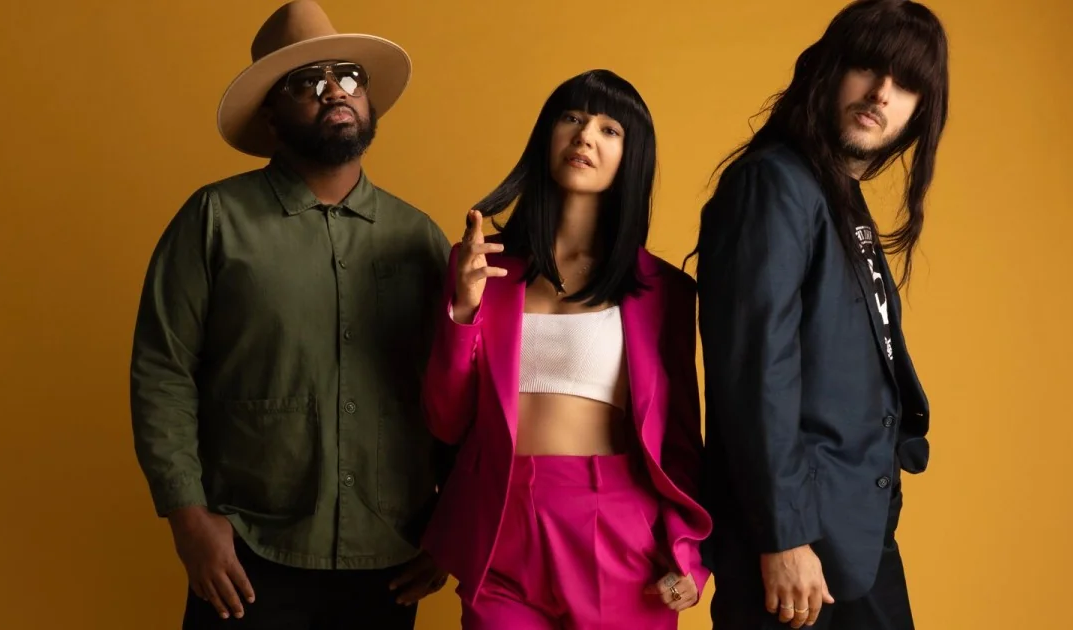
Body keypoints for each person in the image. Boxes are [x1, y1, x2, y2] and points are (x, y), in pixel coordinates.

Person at [128, 1, 453, 628]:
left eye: (348, 76)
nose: (334, 91)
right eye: (307, 82)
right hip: (246, 554)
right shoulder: (215, 220)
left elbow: (451, 388)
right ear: (271, 115)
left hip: (388, 556)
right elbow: (162, 371)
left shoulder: (419, 237)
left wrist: (452, 527)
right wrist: (187, 518)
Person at [418, 69, 713, 629]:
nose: (585, 136)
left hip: (616, 530)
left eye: (609, 129)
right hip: (499, 526)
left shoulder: (663, 290)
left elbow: (677, 439)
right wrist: (464, 309)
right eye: (572, 118)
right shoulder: (478, 264)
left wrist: (689, 554)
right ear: (546, 135)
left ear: (632, 157)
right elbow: (446, 420)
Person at [691, 0, 950, 628]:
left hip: (853, 532)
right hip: (793, 544)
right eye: (868, 67)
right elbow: (757, 369)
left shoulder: (837, 196)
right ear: (830, 69)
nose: (882, 93)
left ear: (920, 111)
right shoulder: (774, 183)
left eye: (906, 83)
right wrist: (783, 536)